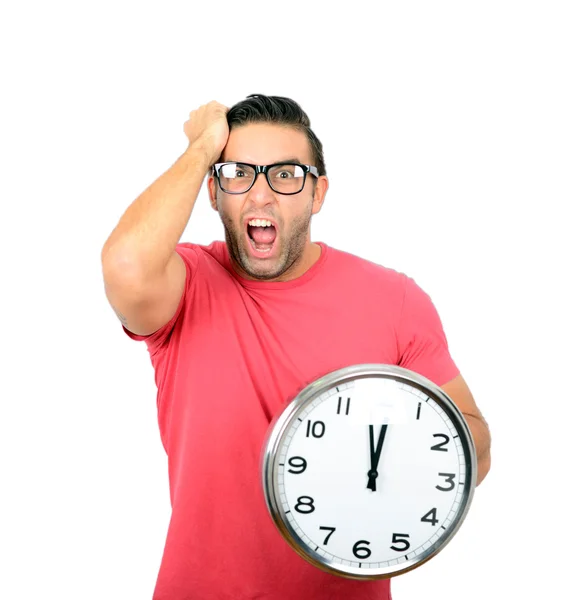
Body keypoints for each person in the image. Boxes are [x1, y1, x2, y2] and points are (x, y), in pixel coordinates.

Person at [101, 94, 491, 600]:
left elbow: (474, 446)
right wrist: (202, 148)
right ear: (214, 193)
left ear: (318, 193)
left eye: (286, 175)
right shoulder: (187, 284)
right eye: (238, 173)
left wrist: (385, 454)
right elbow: (126, 266)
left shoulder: (394, 299)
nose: (261, 196)